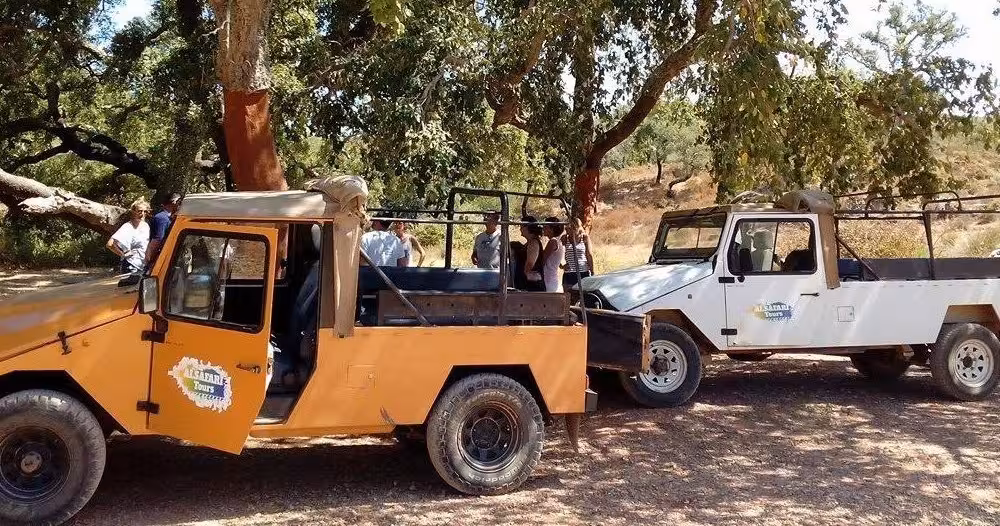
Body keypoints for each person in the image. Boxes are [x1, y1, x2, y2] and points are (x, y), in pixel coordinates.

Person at [106, 198, 151, 274]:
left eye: (145, 211)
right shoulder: (128, 226)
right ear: (133, 212)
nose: (142, 214)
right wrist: (123, 254)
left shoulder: (146, 225)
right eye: (139, 211)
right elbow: (110, 244)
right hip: (132, 265)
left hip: (143, 265)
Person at [146, 192, 183, 266]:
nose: (180, 204)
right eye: (179, 202)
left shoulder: (171, 218)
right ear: (173, 202)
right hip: (158, 257)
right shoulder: (161, 218)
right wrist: (149, 259)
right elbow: (158, 239)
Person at [562, 218, 595, 289]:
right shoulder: (565, 238)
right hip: (569, 273)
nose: (566, 229)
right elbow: (556, 251)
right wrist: (561, 266)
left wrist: (592, 271)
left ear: (575, 227)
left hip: (583, 272)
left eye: (568, 227)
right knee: (569, 298)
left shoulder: (585, 237)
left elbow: (589, 255)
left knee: (584, 296)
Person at [520, 215, 546, 291]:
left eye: (522, 226)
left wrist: (525, 274)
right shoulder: (529, 243)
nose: (520, 229)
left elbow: (530, 263)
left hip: (533, 284)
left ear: (527, 228)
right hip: (529, 282)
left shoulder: (533, 243)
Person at [542, 217, 566, 292]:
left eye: (545, 227)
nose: (543, 229)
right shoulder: (558, 241)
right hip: (551, 278)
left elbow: (543, 259)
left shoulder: (553, 242)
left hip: (548, 279)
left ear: (551, 229)